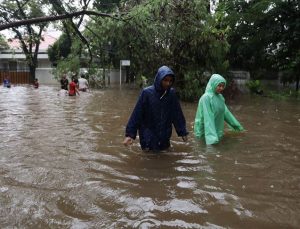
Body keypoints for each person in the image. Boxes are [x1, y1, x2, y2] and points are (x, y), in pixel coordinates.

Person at [123, 65, 188, 151]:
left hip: (164, 136)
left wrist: (182, 132)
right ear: (159, 79)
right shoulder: (147, 93)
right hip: (148, 137)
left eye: (170, 81)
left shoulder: (171, 94)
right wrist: (130, 135)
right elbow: (137, 114)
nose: (168, 83)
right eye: (165, 80)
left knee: (164, 156)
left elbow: (177, 114)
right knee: (149, 158)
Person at [194, 74, 244, 145]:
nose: (221, 88)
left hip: (216, 131)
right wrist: (212, 139)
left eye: (223, 86)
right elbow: (208, 117)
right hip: (204, 132)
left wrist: (238, 127)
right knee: (204, 148)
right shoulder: (206, 98)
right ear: (213, 84)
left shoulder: (220, 97)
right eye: (219, 85)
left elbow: (226, 113)